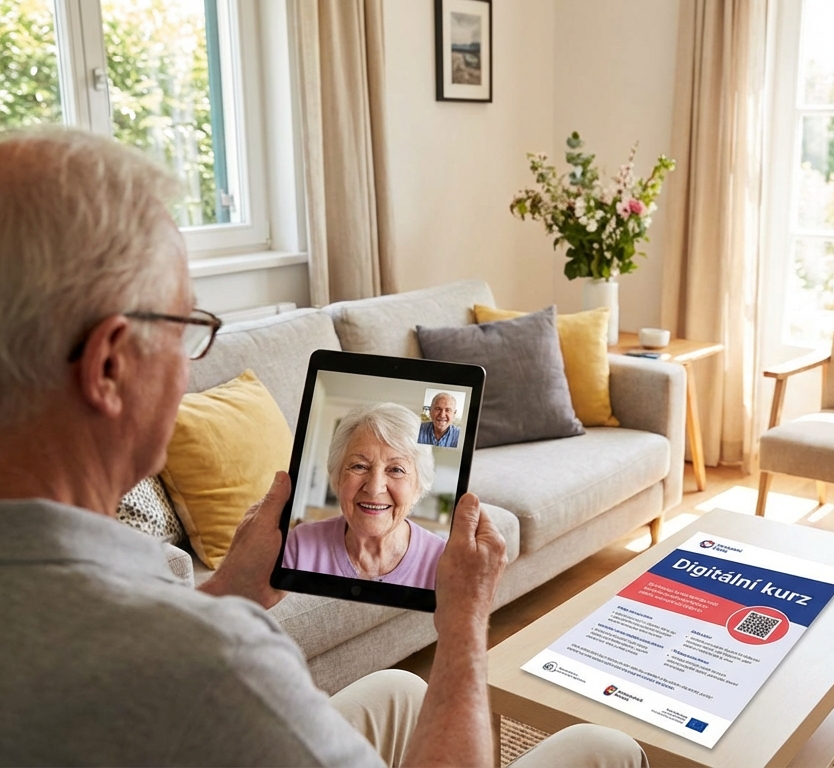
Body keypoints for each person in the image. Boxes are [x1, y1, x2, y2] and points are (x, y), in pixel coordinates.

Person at [0, 127, 645, 767]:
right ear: (110, 367)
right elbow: (172, 668)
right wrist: (464, 629)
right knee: (604, 747)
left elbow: (128, 671)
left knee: (396, 693)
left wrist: (230, 588)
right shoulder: (218, 667)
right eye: (186, 327)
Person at [285, 403, 447, 589]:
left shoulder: (444, 562)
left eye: (396, 469)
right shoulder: (299, 547)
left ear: (418, 486)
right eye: (359, 466)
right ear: (337, 477)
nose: (374, 488)